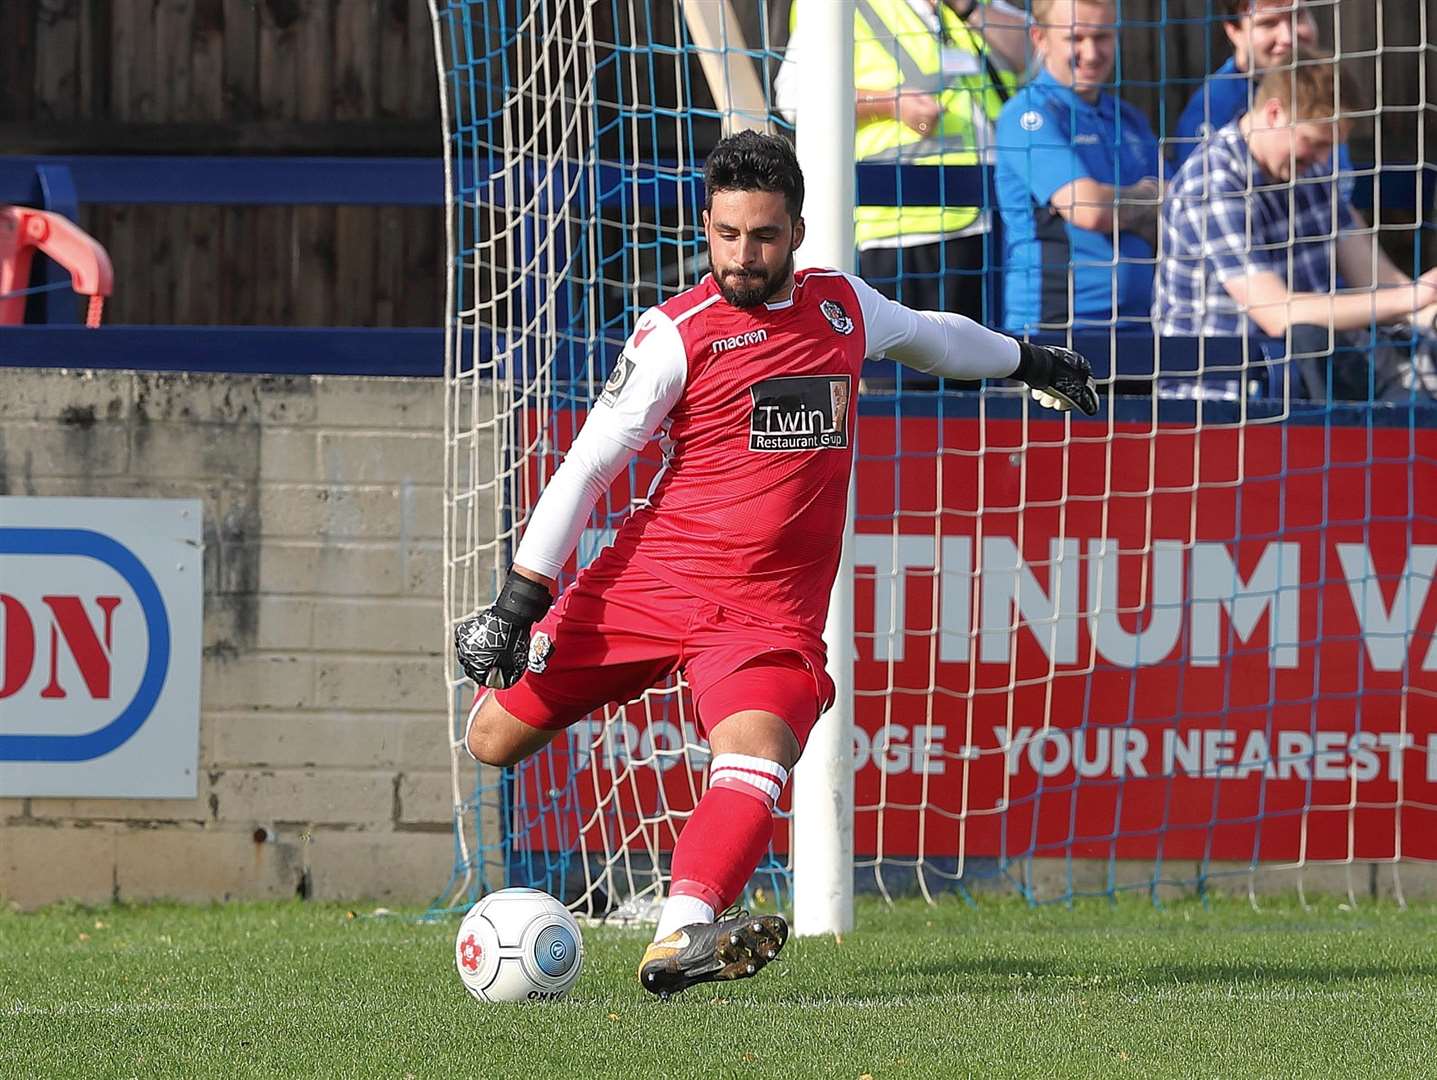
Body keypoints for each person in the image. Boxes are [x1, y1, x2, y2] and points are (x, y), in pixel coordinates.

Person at [453, 131, 1097, 998]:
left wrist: (1032, 361)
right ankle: (668, 898)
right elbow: (590, 462)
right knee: (491, 738)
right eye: (725, 235)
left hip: (766, 615)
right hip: (652, 581)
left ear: (795, 229)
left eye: (760, 236)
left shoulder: (840, 308)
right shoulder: (674, 334)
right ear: (706, 226)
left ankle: (681, 935)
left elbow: (936, 339)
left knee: (756, 755)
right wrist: (519, 599)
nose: (741, 256)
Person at [1154, 56, 1437, 401]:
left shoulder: (1309, 171)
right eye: (1314, 142)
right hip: (1223, 396)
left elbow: (1377, 277)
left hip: (1313, 376)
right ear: (1274, 114)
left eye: (1330, 146)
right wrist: (1409, 298)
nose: (1322, 157)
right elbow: (1276, 312)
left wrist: (1427, 306)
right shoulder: (1214, 183)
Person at [774, 0, 1027, 323]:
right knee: (904, 366)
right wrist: (890, 104)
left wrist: (969, 9)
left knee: (977, 364)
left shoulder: (971, 6)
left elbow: (1042, 53)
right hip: (899, 230)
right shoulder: (840, 7)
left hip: (986, 220)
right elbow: (795, 97)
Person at [994, 0, 1162, 334]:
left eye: (1102, 37)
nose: (1092, 52)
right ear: (1040, 38)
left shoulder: (1128, 120)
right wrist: (1149, 198)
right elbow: (1088, 210)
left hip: (1144, 330)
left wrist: (1119, 204)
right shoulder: (1027, 115)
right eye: (1076, 38)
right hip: (1058, 332)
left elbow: (1180, 213)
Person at [1168, 0, 1353, 198]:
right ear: (1233, 30)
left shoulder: (1321, 90)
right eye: (1269, 23)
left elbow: (1342, 206)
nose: (1288, 37)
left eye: (1298, 16)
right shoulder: (1212, 110)